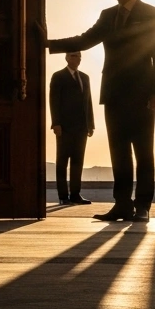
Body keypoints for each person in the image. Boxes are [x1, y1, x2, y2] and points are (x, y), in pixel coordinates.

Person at [42, 0, 155, 222]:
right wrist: (48, 44)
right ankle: (122, 204)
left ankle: (142, 205)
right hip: (113, 94)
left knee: (144, 152)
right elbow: (85, 40)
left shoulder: (152, 14)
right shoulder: (108, 15)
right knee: (118, 152)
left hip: (143, 95)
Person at [49, 51, 94, 205]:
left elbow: (88, 102)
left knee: (78, 161)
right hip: (64, 127)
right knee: (62, 161)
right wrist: (56, 123)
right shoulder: (58, 76)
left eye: (79, 56)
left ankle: (75, 194)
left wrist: (90, 124)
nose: (77, 59)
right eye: (74, 55)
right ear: (67, 57)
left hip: (81, 127)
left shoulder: (85, 78)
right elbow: (54, 100)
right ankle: (63, 195)